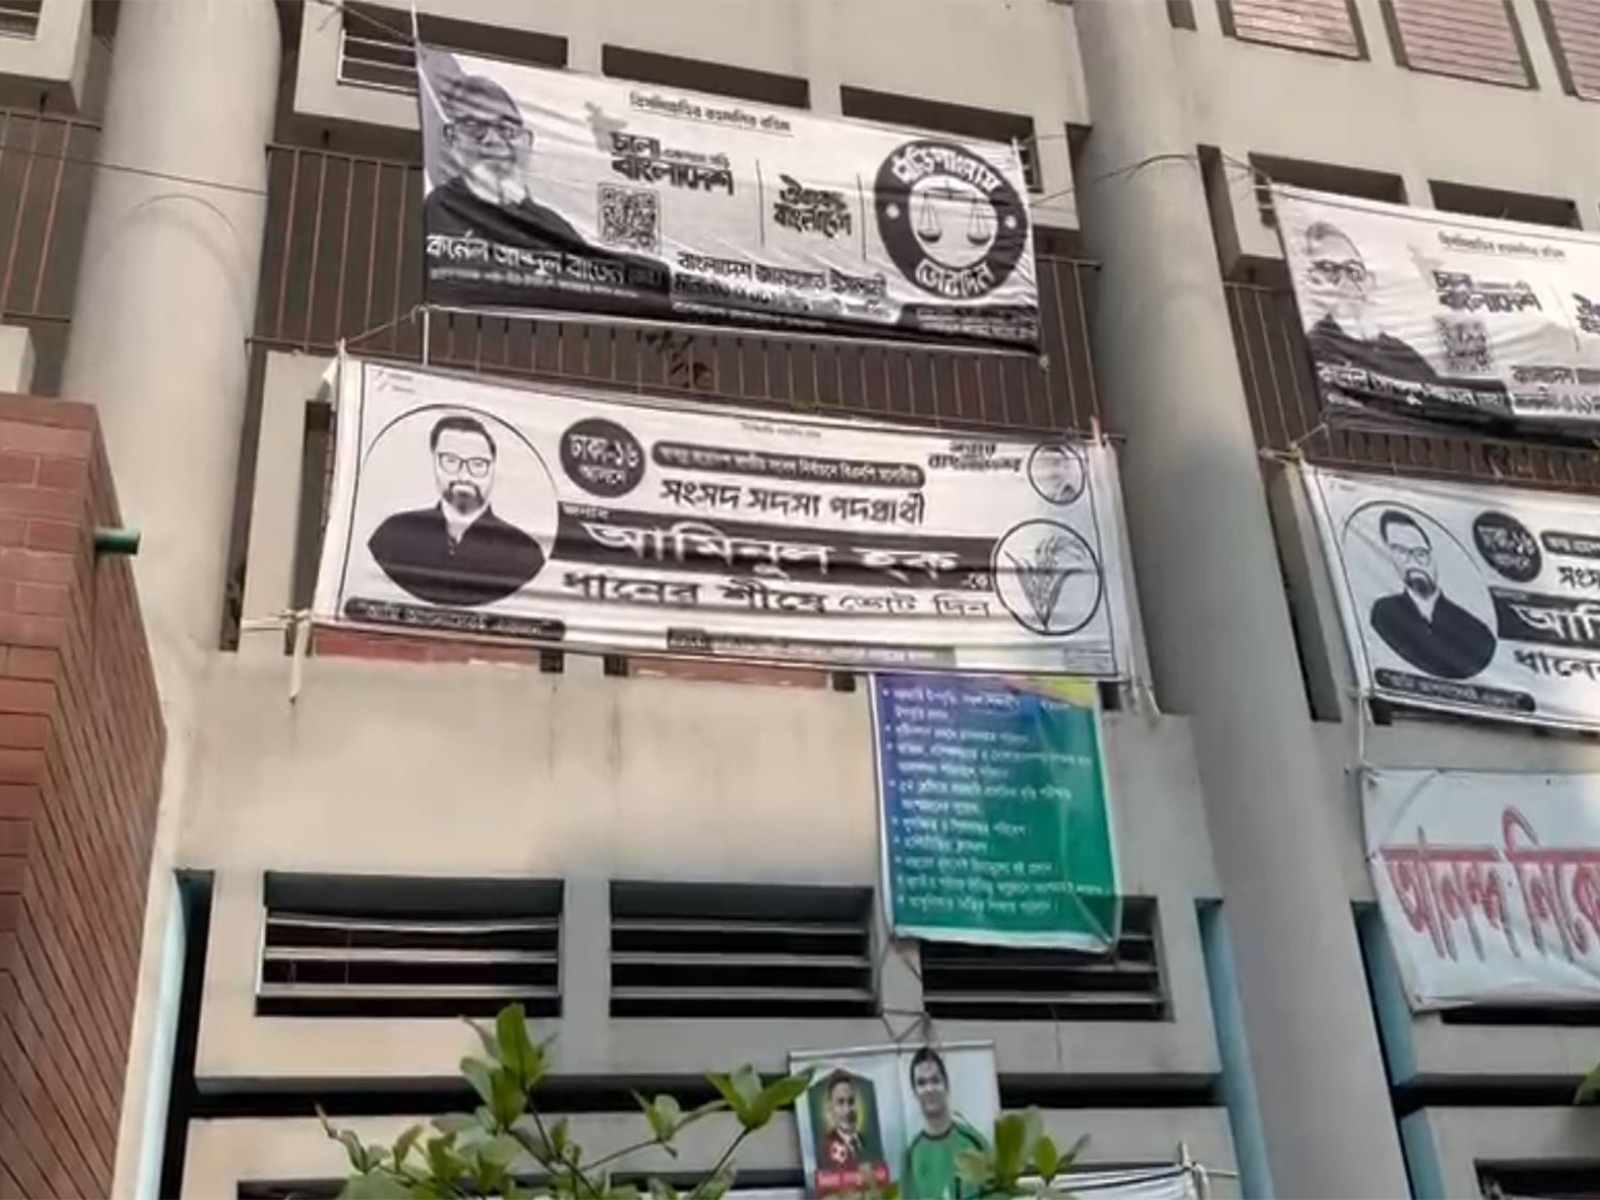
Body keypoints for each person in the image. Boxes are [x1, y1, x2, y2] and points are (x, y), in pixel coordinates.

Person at [367, 414, 546, 608]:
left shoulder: (524, 553)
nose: (464, 475)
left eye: (478, 464)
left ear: (494, 467)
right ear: (434, 461)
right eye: (451, 461)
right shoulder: (393, 535)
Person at [1300, 222, 1440, 385]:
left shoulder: (1401, 352)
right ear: (1312, 280)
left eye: (1353, 270)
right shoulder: (1317, 347)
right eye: (1329, 269)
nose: (1347, 282)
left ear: (1369, 281)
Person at [1368, 509, 1495, 680]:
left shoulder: (1476, 632)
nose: (1413, 561)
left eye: (1420, 553)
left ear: (1433, 557)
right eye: (1401, 551)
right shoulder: (1384, 613)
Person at [902, 1048, 988, 1200]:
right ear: (914, 1092)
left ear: (946, 1085)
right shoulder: (911, 1155)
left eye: (935, 1080)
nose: (929, 1089)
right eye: (922, 1083)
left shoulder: (975, 1143)